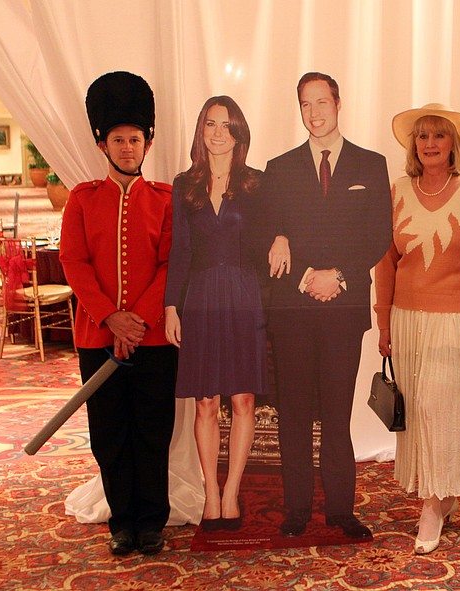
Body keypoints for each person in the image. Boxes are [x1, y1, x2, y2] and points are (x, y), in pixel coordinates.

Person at [262, 72, 392, 539]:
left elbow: (378, 235)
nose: (314, 112)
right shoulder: (278, 168)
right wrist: (303, 277)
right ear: (298, 109)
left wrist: (337, 275)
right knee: (293, 412)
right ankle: (296, 511)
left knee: (337, 413)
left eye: (322, 102)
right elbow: (267, 233)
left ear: (339, 104)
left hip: (343, 305)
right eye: (305, 104)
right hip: (292, 310)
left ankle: (341, 510)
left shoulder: (371, 165)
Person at [374, 104, 460, 554]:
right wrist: (383, 321)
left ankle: (432, 504)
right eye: (422, 136)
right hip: (407, 318)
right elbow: (385, 261)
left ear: (454, 145)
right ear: (415, 146)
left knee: (441, 407)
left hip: (458, 316)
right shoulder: (396, 191)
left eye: (439, 136)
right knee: (421, 413)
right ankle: (440, 488)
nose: (429, 144)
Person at [60, 71, 176, 556]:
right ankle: (122, 521)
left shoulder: (166, 200)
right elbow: (73, 261)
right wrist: (110, 317)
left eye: (135, 139)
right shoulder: (81, 200)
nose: (127, 148)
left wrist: (138, 320)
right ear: (101, 143)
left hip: (152, 340)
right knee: (109, 433)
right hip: (96, 337)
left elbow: (172, 264)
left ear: (147, 141)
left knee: (153, 429)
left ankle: (152, 521)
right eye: (118, 140)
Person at [164, 96, 267, 532]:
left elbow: (267, 244)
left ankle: (232, 492)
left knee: (243, 398)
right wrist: (171, 305)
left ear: (239, 132)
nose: (218, 132)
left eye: (227, 125)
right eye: (211, 124)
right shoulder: (184, 183)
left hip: (244, 296)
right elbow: (180, 251)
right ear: (200, 131)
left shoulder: (256, 183)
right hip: (201, 297)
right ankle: (210, 493)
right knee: (205, 402)